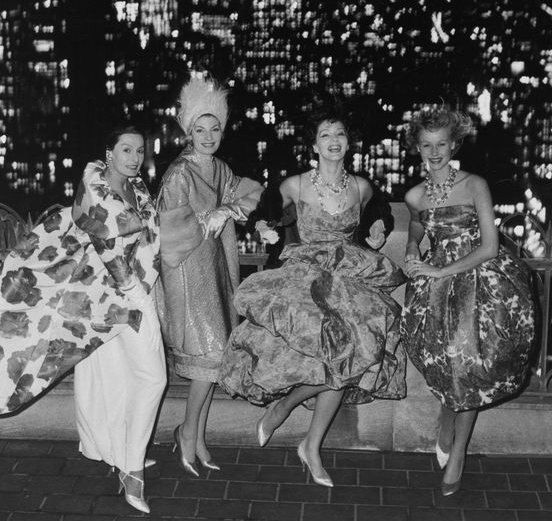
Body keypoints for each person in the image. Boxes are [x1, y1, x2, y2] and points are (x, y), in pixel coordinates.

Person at [219, 106, 406, 487]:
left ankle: (296, 423)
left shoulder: (362, 186)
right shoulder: (296, 184)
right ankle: (304, 438)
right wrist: (264, 227)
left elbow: (381, 210)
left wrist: (378, 226)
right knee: (334, 361)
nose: (333, 141)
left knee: (355, 357)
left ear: (348, 143)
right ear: (314, 145)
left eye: (339, 134)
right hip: (306, 277)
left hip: (350, 277)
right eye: (325, 135)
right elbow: (268, 210)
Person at [0, 126, 166, 514]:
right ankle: (132, 469)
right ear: (109, 153)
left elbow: (149, 242)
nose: (134, 157)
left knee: (130, 378)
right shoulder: (97, 191)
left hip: (128, 293)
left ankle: (125, 455)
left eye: (139, 150)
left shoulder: (138, 189)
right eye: (126, 149)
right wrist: (137, 296)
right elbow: (111, 253)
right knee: (153, 377)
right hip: (111, 301)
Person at [400, 105, 536, 496]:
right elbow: (417, 222)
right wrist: (412, 247)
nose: (435, 151)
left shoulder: (475, 184)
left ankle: (457, 451)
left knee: (471, 362)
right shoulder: (414, 194)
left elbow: (491, 248)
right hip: (437, 292)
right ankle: (447, 423)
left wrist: (442, 271)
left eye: (442, 143)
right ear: (417, 148)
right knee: (449, 365)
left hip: (480, 282)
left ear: (454, 143)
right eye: (427, 145)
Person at [154, 75, 263, 477]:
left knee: (213, 362)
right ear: (188, 131)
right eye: (200, 129)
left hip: (214, 273)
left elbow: (249, 191)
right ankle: (187, 432)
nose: (208, 135)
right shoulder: (179, 173)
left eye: (214, 128)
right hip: (187, 276)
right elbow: (169, 230)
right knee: (210, 356)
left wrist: (229, 210)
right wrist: (208, 217)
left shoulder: (220, 168)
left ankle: (195, 435)